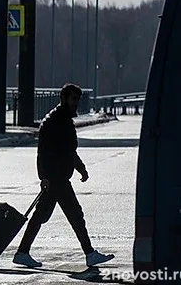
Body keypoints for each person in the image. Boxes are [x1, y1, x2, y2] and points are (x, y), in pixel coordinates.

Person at [13, 84, 115, 268]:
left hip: (57, 177)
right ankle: (89, 253)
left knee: (42, 216)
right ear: (64, 99)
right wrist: (44, 176)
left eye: (78, 99)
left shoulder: (63, 120)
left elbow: (68, 150)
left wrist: (81, 168)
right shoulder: (55, 121)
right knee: (75, 215)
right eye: (73, 99)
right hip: (56, 178)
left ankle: (22, 252)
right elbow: (43, 152)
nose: (76, 103)